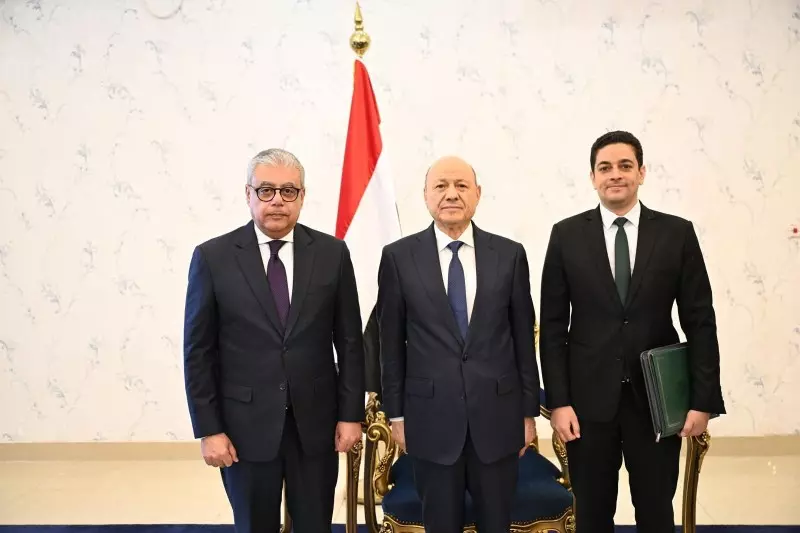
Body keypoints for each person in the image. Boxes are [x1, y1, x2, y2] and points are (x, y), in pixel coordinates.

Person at [539, 130, 726, 533]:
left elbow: (700, 321)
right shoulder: (566, 235)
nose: (615, 174)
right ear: (593, 177)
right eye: (605, 167)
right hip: (587, 406)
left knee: (656, 511)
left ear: (641, 172)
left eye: (625, 165)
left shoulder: (676, 234)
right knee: (592, 513)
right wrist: (559, 402)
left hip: (657, 402)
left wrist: (702, 400)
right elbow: (552, 326)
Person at [182, 148, 365, 533]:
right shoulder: (213, 258)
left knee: (314, 525)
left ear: (302, 196)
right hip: (244, 428)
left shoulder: (332, 254)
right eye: (266, 190)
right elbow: (198, 352)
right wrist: (209, 429)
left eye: (288, 191)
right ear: (248, 194)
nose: (277, 200)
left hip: (315, 425)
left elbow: (350, 342)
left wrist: (350, 414)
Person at [377, 155, 539, 533]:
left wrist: (528, 412)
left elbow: (522, 339)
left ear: (477, 194)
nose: (451, 194)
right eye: (441, 186)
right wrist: (396, 415)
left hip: (498, 419)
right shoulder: (398, 258)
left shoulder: (510, 255)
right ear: (425, 195)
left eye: (461, 186)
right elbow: (390, 345)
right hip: (429, 420)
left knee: (497, 524)